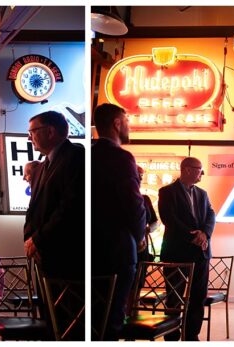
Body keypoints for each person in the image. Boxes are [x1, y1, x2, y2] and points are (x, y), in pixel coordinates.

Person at [24, 110, 85, 340]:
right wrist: (30, 239)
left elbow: (69, 208)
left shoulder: (75, 157)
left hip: (65, 255)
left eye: (33, 131)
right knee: (49, 318)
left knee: (67, 321)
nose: (30, 137)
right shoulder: (42, 165)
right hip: (44, 254)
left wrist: (37, 239)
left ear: (51, 131)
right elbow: (35, 210)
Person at [90, 103, 146, 340]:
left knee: (92, 318)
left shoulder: (86, 155)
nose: (129, 126)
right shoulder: (122, 158)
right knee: (113, 317)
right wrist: (140, 236)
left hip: (89, 249)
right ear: (116, 123)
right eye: (127, 121)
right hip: (117, 250)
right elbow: (133, 204)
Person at [157, 157, 215, 341]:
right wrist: (194, 237)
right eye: (200, 169)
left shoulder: (202, 194)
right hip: (177, 252)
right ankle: (172, 337)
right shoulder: (167, 192)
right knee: (174, 297)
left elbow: (211, 215)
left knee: (198, 298)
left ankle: (191, 336)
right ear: (188, 170)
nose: (202, 173)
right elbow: (170, 220)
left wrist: (204, 234)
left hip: (200, 253)